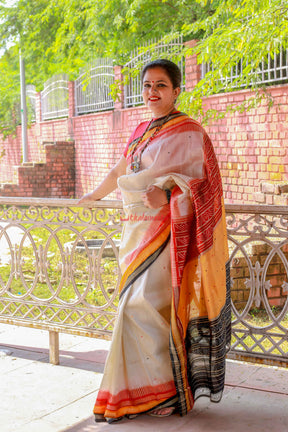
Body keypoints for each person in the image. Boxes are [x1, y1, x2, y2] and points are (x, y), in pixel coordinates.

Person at [78, 59, 231, 423]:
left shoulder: (190, 131)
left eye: (160, 85)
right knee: (138, 310)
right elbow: (120, 171)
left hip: (167, 236)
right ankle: (146, 394)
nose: (152, 92)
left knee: (144, 310)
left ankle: (163, 391)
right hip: (135, 233)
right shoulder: (140, 130)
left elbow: (206, 185)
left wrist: (169, 196)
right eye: (147, 85)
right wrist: (93, 196)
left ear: (177, 91)